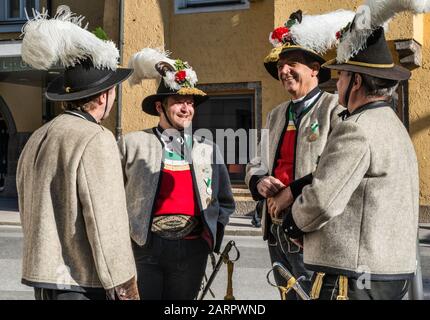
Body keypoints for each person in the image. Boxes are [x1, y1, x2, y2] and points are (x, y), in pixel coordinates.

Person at [279, 1, 426, 299]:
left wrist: (292, 225)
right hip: (387, 273)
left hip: (354, 276)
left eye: (343, 76)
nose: (338, 81)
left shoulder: (356, 127)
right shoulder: (394, 126)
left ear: (356, 81)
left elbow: (322, 200)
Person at [16, 6, 138, 300]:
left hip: (44, 280)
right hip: (83, 280)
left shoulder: (38, 136)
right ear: (104, 95)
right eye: (113, 90)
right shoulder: (96, 138)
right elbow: (107, 221)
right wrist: (126, 288)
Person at [245, 9, 353, 299]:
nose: (283, 71)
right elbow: (257, 162)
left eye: (291, 63)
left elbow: (335, 170)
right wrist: (259, 181)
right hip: (276, 231)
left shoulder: (335, 109)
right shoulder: (276, 114)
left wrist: (289, 193)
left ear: (315, 68)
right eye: (280, 66)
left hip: (313, 232)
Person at [120, 48, 235, 300]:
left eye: (191, 103)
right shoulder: (132, 144)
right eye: (179, 102)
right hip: (145, 248)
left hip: (192, 248)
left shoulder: (207, 148)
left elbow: (224, 201)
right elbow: (113, 197)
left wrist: (209, 237)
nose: (186, 108)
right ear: (160, 106)